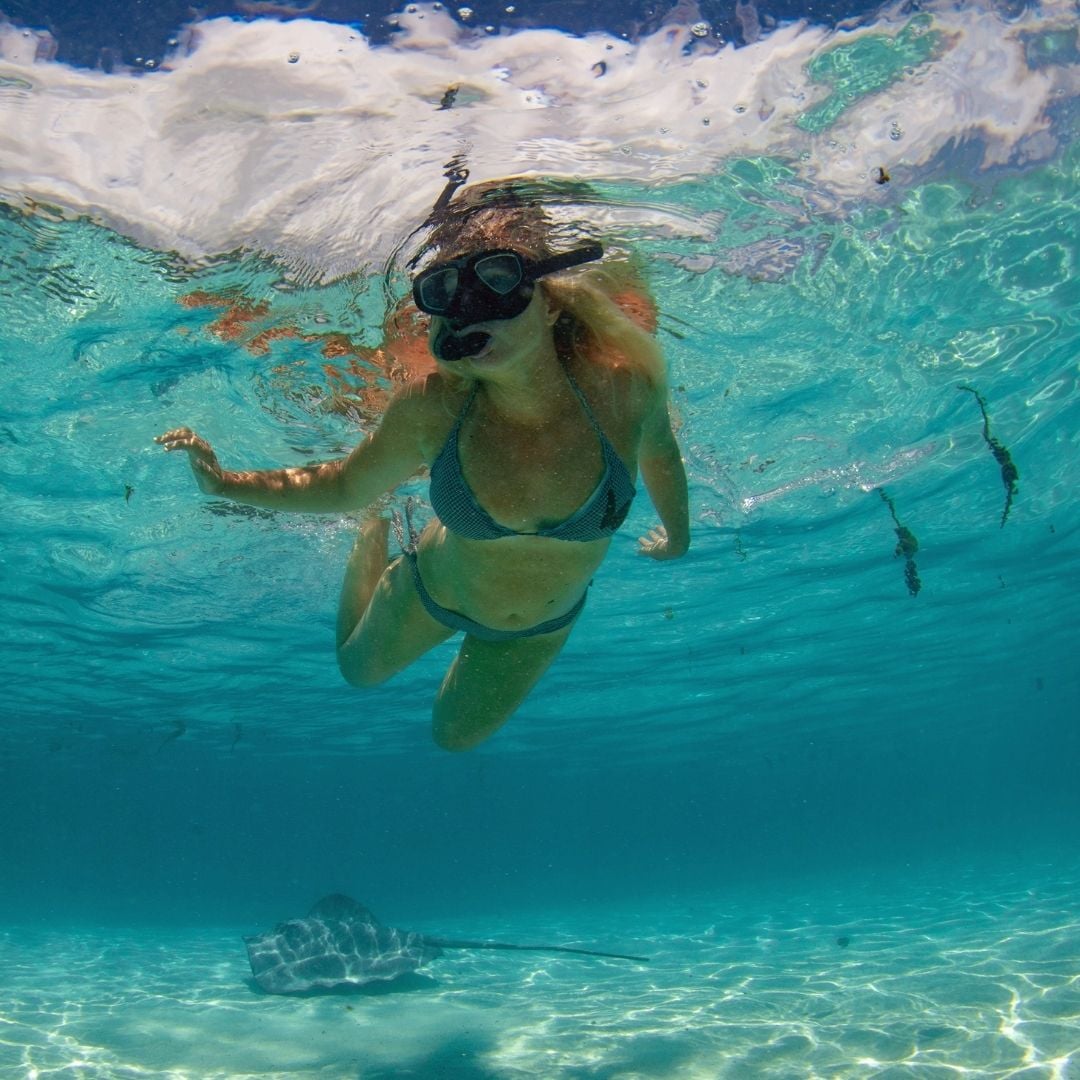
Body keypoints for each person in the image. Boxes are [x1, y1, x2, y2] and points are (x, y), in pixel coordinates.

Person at [156, 178, 689, 751]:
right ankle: (376, 529)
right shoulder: (434, 411)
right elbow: (341, 484)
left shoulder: (622, 392)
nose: (471, 312)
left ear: (551, 304)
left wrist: (678, 537)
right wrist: (224, 483)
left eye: (500, 284)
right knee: (357, 672)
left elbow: (661, 452)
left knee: (454, 738)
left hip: (538, 629)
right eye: (448, 295)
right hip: (433, 590)